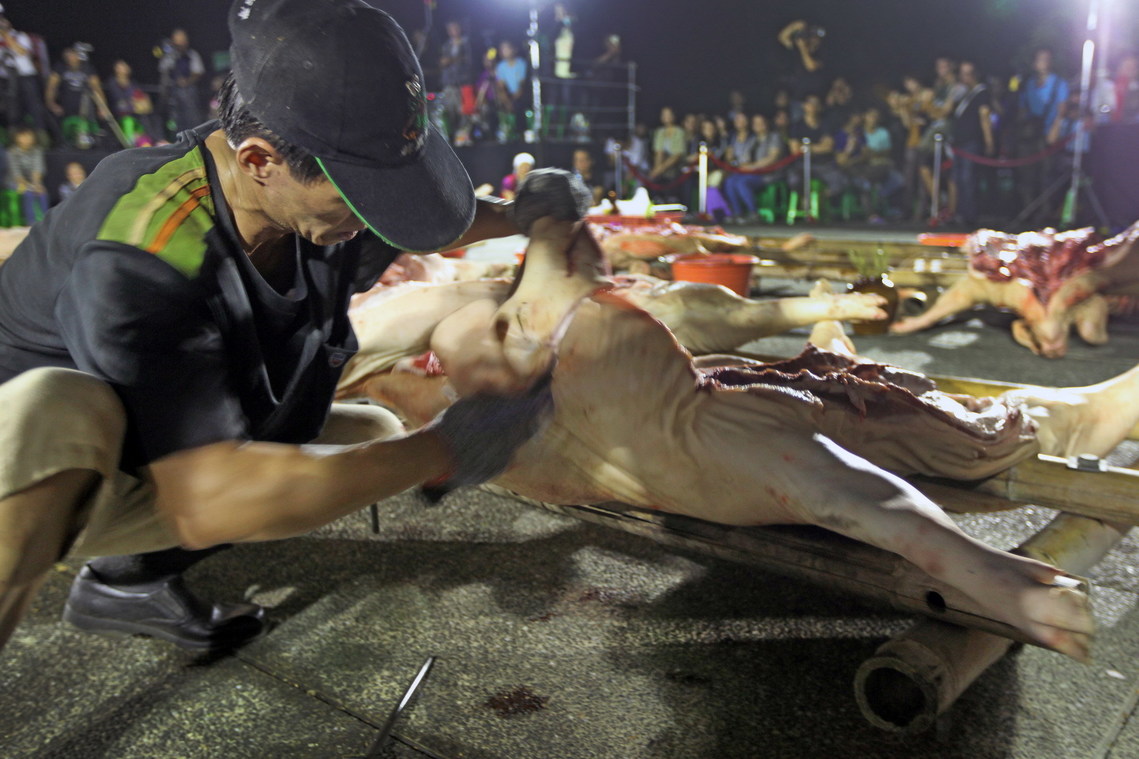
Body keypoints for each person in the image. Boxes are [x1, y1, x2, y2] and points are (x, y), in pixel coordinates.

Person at [0, 0, 552, 654]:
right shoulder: (141, 253)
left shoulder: (302, 184)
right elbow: (208, 497)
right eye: (361, 197)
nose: (373, 217)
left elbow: (425, 222)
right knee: (54, 410)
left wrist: (527, 214)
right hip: (48, 465)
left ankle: (125, 581)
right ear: (260, 160)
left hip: (158, 433)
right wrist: (445, 449)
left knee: (370, 432)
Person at [724, 114, 784, 222]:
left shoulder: (774, 137)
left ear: (766, 124)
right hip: (753, 173)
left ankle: (753, 212)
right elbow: (746, 157)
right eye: (756, 123)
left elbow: (772, 158)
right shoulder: (753, 139)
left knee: (741, 183)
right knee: (730, 181)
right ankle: (738, 213)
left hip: (768, 174)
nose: (758, 125)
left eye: (761, 123)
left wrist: (752, 167)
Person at [44, 45, 106, 149]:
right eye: (68, 55)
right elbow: (51, 86)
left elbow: (97, 88)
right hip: (66, 107)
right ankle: (66, 143)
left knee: (93, 123)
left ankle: (90, 142)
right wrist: (51, 104)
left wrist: (102, 107)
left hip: (86, 107)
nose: (70, 57)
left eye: (73, 55)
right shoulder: (60, 67)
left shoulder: (87, 68)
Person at [0, 10, 48, 135]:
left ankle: (41, 133)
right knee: (12, 109)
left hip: (25, 77)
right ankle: (14, 136)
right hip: (6, 79)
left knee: (34, 106)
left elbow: (21, 51)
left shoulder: (20, 36)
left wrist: (5, 34)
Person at [158, 28, 205, 137]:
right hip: (173, 95)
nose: (180, 43)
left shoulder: (192, 55)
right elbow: (163, 70)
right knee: (175, 122)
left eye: (182, 39)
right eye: (177, 40)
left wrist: (187, 81)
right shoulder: (170, 56)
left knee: (193, 120)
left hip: (189, 93)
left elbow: (198, 72)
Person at [104, 59, 159, 145]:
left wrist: (142, 102)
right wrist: (133, 103)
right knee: (128, 121)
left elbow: (139, 96)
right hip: (121, 115)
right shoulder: (113, 82)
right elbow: (119, 100)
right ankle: (130, 144)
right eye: (120, 67)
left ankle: (153, 141)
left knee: (148, 119)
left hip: (136, 114)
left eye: (124, 66)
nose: (123, 69)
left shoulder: (133, 83)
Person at [439, 20, 474, 145]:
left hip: (463, 82)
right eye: (449, 28)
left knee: (465, 111)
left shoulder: (467, 43)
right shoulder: (446, 45)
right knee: (450, 110)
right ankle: (452, 137)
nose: (452, 31)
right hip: (449, 83)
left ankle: (464, 137)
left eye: (454, 28)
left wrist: (452, 60)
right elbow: (442, 62)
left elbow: (470, 61)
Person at [6, 125, 47, 224]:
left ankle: (46, 222)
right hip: (15, 182)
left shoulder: (37, 151)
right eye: (23, 136)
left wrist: (36, 184)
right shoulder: (11, 153)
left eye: (29, 136)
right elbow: (16, 174)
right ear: (17, 138)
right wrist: (29, 186)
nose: (27, 139)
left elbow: (38, 168)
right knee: (28, 194)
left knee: (42, 193)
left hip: (33, 182)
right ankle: (31, 222)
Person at [494, 40, 528, 142]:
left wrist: (513, 100)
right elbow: (501, 87)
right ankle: (503, 133)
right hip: (507, 96)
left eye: (506, 48)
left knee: (518, 106)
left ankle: (521, 134)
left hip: (519, 96)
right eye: (502, 49)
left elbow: (522, 86)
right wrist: (507, 101)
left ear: (513, 49)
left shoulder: (521, 63)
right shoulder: (500, 66)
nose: (504, 51)